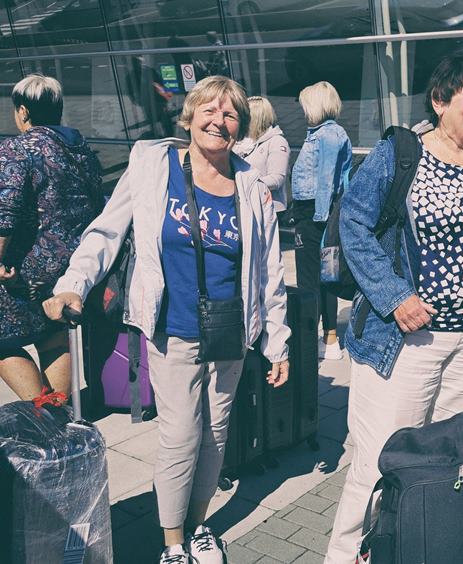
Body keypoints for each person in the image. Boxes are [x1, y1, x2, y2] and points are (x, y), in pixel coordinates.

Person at [43, 75, 291, 564]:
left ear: (240, 126)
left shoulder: (252, 186)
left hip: (231, 329)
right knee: (180, 436)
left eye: (230, 114)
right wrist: (73, 283)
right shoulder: (152, 166)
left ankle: (198, 528)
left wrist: (277, 342)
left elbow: (269, 270)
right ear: (189, 115)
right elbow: (107, 231)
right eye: (210, 109)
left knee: (215, 434)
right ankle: (173, 543)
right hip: (172, 329)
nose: (219, 121)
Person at [324, 55, 463, 563]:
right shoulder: (400, 152)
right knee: (378, 463)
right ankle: (347, 556)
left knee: (453, 464)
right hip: (403, 342)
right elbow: (354, 225)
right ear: (439, 101)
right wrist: (394, 296)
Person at [0, 74, 103, 401]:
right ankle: (58, 410)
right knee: (52, 333)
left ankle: (43, 414)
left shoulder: (18, 149)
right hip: (70, 266)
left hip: (25, 268)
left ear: (23, 111)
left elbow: (5, 213)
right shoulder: (79, 147)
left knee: (4, 341)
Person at [291, 81, 352, 360]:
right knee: (325, 276)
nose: (304, 111)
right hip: (317, 212)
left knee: (311, 279)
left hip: (314, 214)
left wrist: (320, 217)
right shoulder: (326, 134)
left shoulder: (327, 135)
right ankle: (328, 338)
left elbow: (327, 178)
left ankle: (315, 339)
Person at [233, 95, 290, 215]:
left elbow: (277, 179)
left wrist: (244, 184)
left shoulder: (276, 141)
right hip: (244, 206)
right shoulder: (239, 141)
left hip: (269, 209)